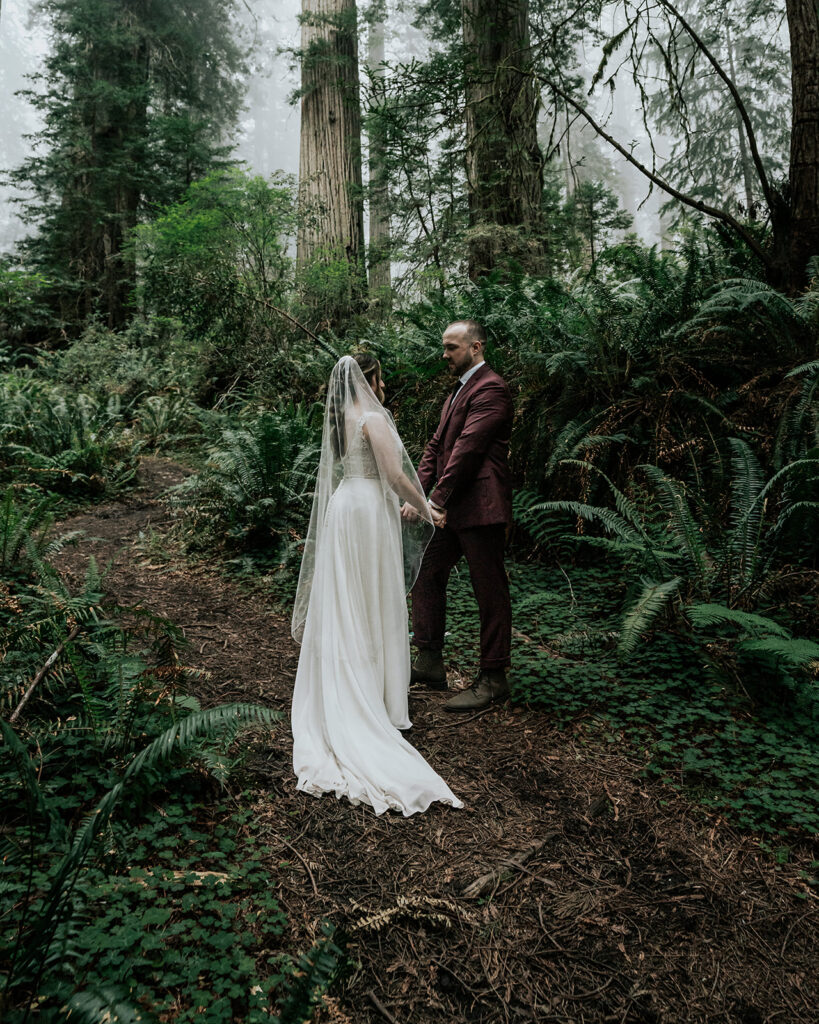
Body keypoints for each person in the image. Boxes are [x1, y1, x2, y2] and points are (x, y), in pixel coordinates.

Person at [290, 353, 463, 816]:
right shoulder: (373, 416)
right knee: (372, 599)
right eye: (381, 376)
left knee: (349, 600)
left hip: (345, 507)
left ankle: (351, 681)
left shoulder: (338, 418)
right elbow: (395, 476)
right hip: (368, 512)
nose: (384, 383)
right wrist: (428, 508)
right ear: (370, 380)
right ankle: (376, 698)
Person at [403, 320, 514, 713]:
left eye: (452, 347)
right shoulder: (458, 391)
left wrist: (437, 500)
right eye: (444, 347)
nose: (444, 354)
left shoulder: (491, 388)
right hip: (448, 510)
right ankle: (429, 662)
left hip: (481, 508)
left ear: (476, 347)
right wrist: (415, 495)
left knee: (489, 591)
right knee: (426, 572)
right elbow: (437, 447)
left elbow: (468, 450)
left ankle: (494, 677)